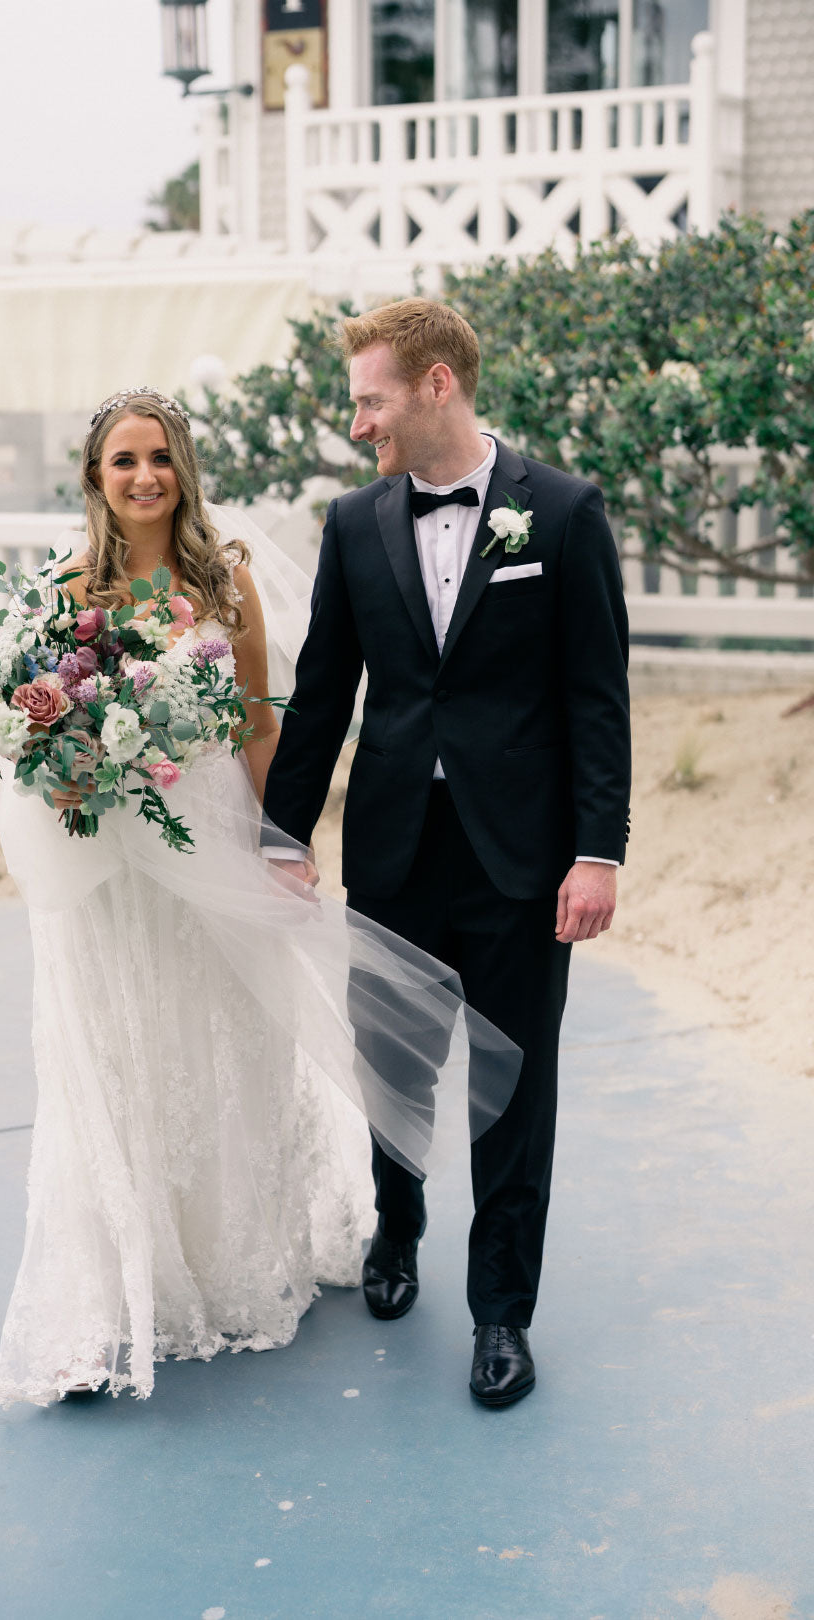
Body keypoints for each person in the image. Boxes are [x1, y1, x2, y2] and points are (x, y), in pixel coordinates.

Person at [0, 386, 521, 1406]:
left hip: (214, 845)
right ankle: (108, 1304)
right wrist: (55, 766)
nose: (145, 477)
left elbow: (260, 722)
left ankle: (228, 1259)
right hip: (111, 874)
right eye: (122, 462)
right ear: (95, 479)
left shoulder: (224, 579)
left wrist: (283, 844)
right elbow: (25, 727)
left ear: (184, 468)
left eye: (160, 458)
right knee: (115, 1057)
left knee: (216, 1044)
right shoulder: (62, 588)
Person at [262, 301, 632, 1407]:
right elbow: (324, 691)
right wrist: (284, 836)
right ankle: (397, 1229)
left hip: (523, 861)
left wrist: (596, 852)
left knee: (516, 1094)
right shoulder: (352, 523)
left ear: (435, 385)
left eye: (371, 397)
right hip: (394, 853)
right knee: (395, 1073)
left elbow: (596, 698)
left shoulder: (561, 514)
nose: (358, 419)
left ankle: (502, 1316)